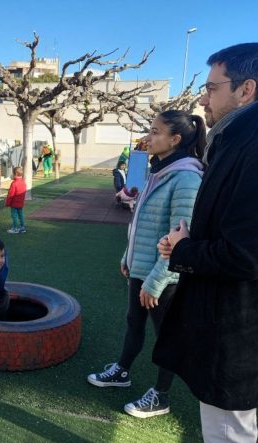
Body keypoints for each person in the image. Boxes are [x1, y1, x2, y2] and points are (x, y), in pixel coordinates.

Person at [154, 43, 258, 443]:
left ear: (246, 90)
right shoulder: (242, 139)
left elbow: (246, 255)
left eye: (212, 87)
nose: (202, 97)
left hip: (238, 331)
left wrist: (182, 249)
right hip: (225, 323)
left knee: (229, 439)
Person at [87, 110, 206, 419]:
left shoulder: (186, 178)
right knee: (133, 323)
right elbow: (130, 197)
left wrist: (156, 281)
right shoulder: (157, 170)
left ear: (175, 139)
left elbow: (182, 238)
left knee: (167, 336)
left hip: (164, 277)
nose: (147, 137)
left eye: (155, 132)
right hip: (140, 267)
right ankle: (122, 372)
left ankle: (161, 396)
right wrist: (127, 257)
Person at [5, 166, 27, 234]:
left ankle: (15, 228)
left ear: (15, 174)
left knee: (14, 216)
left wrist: (7, 203)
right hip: (21, 203)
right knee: (21, 215)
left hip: (14, 204)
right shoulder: (23, 182)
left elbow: (10, 195)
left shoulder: (14, 183)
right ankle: (22, 227)